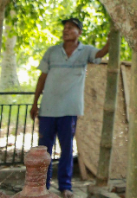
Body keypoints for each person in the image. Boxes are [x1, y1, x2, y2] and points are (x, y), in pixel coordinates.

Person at [30, 18, 109, 198]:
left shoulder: (86, 51)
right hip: (48, 108)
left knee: (66, 149)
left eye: (71, 28)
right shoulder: (52, 51)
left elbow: (102, 53)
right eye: (65, 28)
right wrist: (35, 103)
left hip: (70, 109)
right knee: (44, 149)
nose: (66, 30)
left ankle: (65, 187)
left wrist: (110, 41)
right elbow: (42, 78)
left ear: (79, 32)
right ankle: (43, 186)